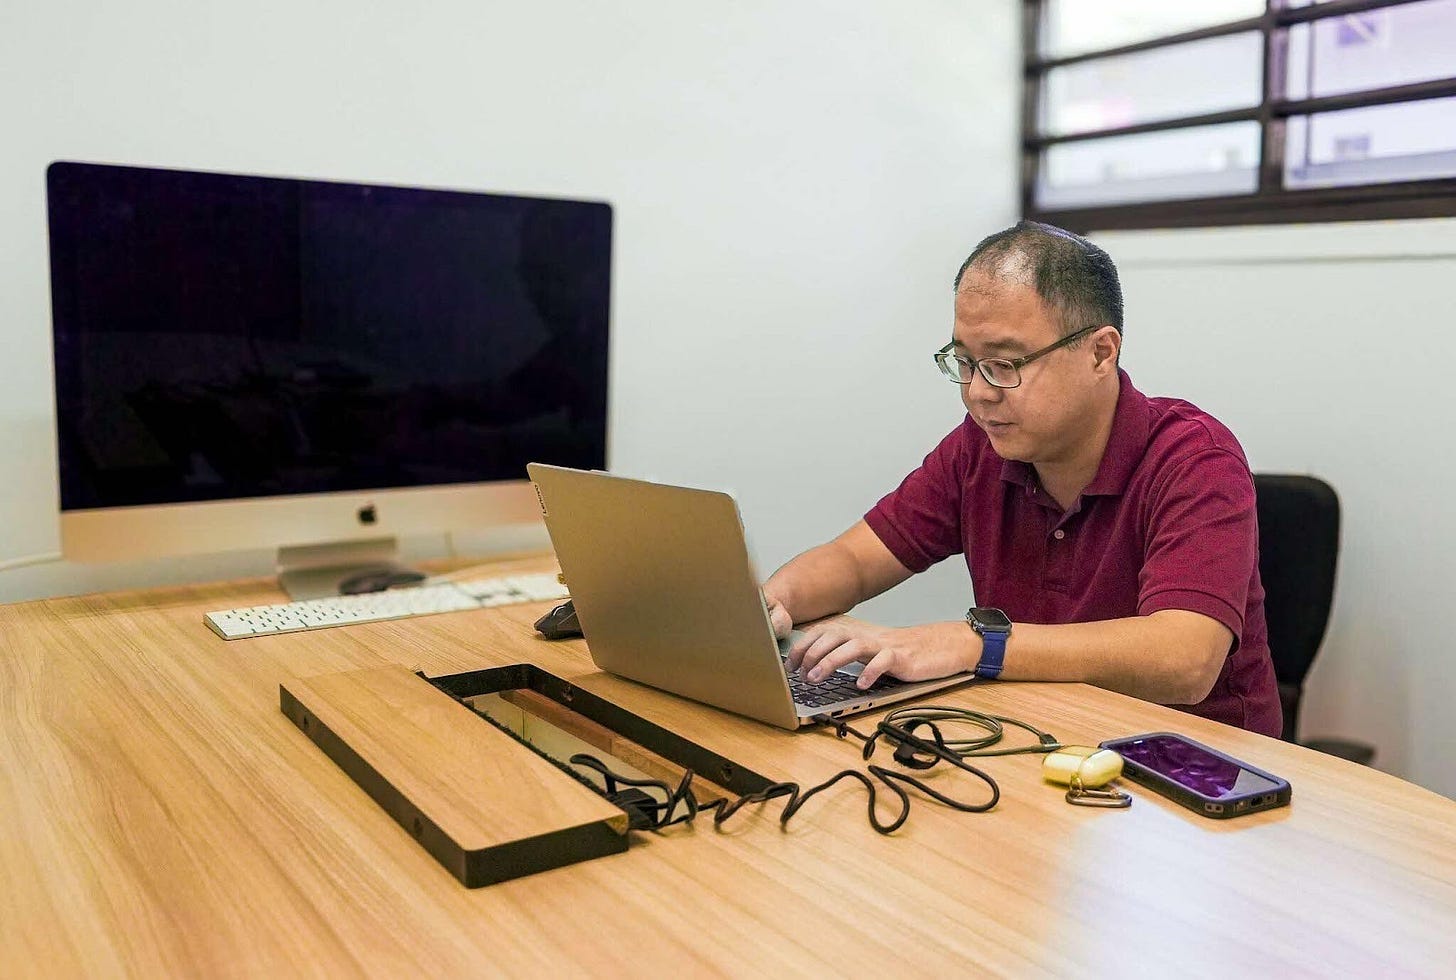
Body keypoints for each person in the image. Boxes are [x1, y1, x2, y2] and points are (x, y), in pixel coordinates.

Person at [764, 221, 1280, 736]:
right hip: (1043, 741)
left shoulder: (1193, 458)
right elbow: (856, 560)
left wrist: (973, 643)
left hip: (1197, 771)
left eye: (1005, 364)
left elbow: (1184, 660)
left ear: (1101, 352)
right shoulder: (980, 447)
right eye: (964, 362)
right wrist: (771, 604)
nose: (978, 394)